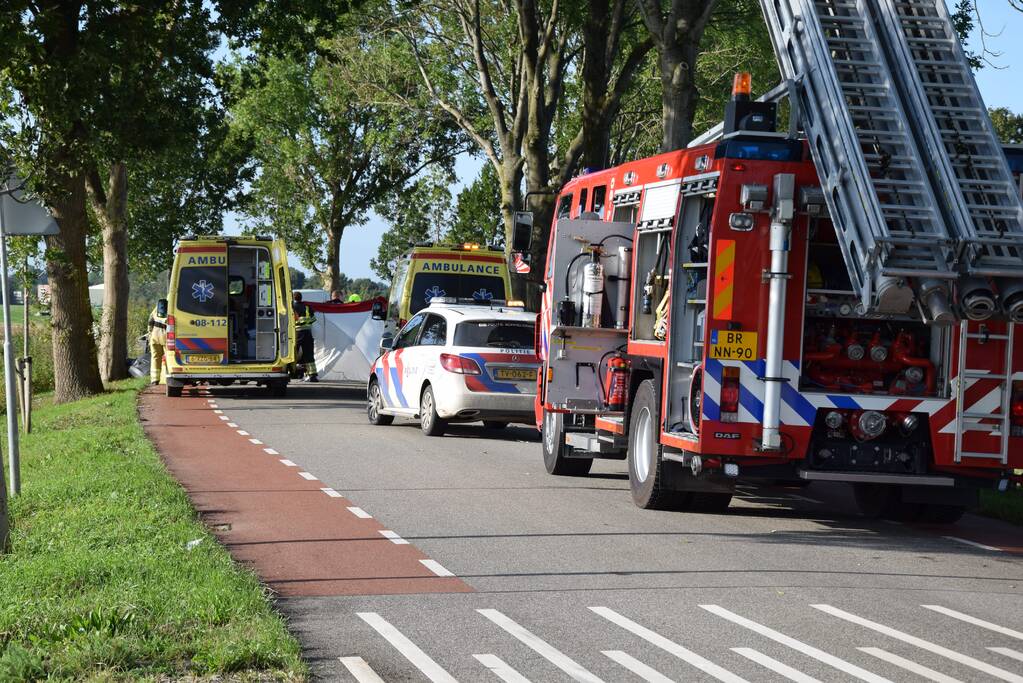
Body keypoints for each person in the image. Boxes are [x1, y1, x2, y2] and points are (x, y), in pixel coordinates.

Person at [292, 292, 319, 382]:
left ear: (294, 298)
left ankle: (291, 372)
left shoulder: (292, 307)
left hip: (296, 333)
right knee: (309, 354)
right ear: (301, 298)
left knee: (292, 353)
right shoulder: (307, 307)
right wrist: (305, 321)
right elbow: (313, 319)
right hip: (307, 333)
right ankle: (312, 376)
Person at [148, 304, 168, 386]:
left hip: (155, 336)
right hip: (166, 336)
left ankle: (154, 379)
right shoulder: (173, 307)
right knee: (168, 357)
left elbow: (150, 321)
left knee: (155, 357)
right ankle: (166, 378)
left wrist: (150, 333)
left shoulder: (157, 308)